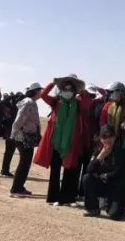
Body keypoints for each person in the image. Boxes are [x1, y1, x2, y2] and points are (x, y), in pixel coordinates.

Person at [34, 76, 94, 206]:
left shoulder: (78, 104)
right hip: (56, 143)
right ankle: (53, 198)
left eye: (70, 89)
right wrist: (52, 83)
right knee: (55, 171)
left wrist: (82, 90)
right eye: (65, 89)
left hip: (72, 144)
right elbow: (43, 95)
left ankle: (67, 199)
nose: (68, 91)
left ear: (74, 91)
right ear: (61, 90)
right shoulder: (56, 102)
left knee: (70, 171)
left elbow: (89, 103)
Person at [82, 125, 125, 220]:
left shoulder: (121, 152)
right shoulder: (98, 152)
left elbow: (119, 172)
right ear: (101, 139)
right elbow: (89, 170)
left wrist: (104, 176)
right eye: (104, 137)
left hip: (116, 188)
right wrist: (100, 156)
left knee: (114, 215)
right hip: (104, 184)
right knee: (87, 178)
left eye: (110, 136)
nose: (107, 139)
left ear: (114, 137)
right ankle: (92, 208)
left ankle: (116, 207)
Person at [9, 83, 43, 197]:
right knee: (24, 163)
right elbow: (19, 120)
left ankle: (19, 187)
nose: (41, 93)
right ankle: (15, 189)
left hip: (27, 137)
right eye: (40, 91)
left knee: (26, 163)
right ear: (36, 91)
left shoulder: (31, 102)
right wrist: (14, 134)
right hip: (23, 137)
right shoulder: (29, 103)